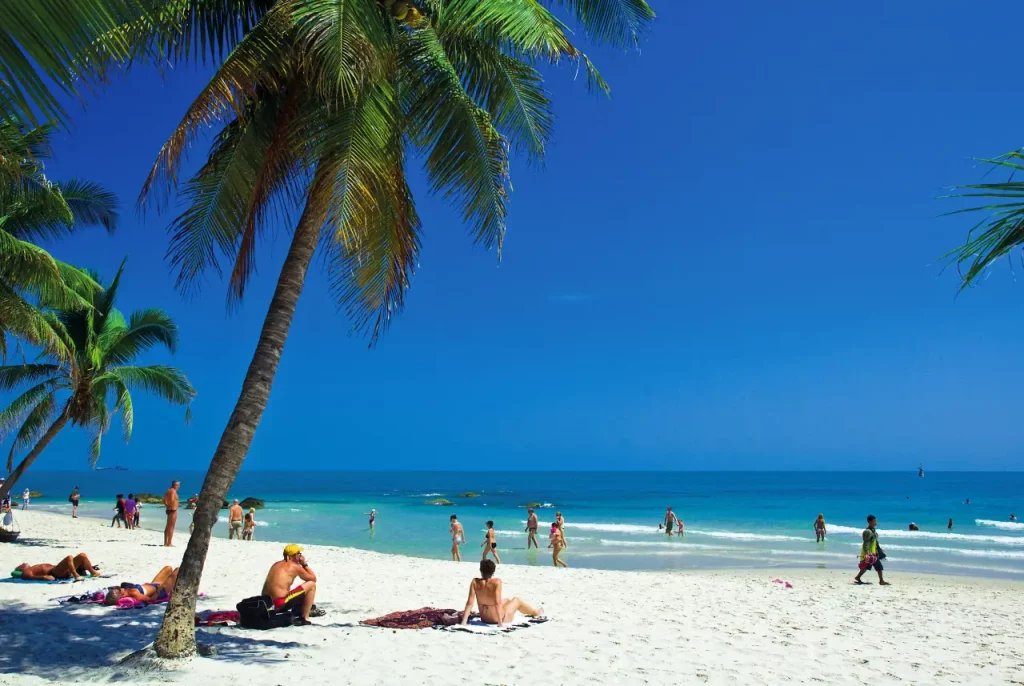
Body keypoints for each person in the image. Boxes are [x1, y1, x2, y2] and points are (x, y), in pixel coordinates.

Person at [460, 559, 543, 627]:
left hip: (484, 619)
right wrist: (500, 623)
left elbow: (469, 603)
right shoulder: (496, 582)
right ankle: (535, 612)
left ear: (481, 570)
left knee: (507, 600)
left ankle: (531, 611)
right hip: (499, 619)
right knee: (516, 600)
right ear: (493, 571)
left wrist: (464, 622)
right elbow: (497, 603)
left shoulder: (475, 582)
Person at [261, 544, 318, 624]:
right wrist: (304, 564)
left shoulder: (276, 564)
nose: (300, 556)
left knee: (294, 592)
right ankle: (305, 618)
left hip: (267, 604)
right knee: (311, 585)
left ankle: (299, 609)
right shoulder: (295, 566)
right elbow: (313, 578)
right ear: (294, 556)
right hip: (279, 603)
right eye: (299, 554)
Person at [103, 566, 179, 605]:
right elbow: (151, 599)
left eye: (118, 588)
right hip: (161, 590)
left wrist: (145, 585)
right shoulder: (134, 594)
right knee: (178, 570)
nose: (120, 588)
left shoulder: (126, 589)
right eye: (119, 590)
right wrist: (159, 590)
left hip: (154, 584)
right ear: (121, 596)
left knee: (168, 568)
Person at [854, 514, 889, 586]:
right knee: (879, 566)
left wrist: (879, 549)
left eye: (875, 521)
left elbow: (875, 542)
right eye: (874, 521)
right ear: (869, 522)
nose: (875, 522)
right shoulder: (867, 531)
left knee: (867, 566)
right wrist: (867, 553)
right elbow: (866, 543)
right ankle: (881, 581)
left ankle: (858, 577)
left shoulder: (874, 531)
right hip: (869, 553)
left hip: (873, 552)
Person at [14, 553, 100, 581]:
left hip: (62, 570)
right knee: (69, 557)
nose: (24, 563)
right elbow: (28, 577)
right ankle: (76, 576)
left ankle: (93, 572)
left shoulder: (34, 566)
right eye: (22, 565)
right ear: (21, 568)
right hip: (54, 573)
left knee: (82, 555)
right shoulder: (27, 571)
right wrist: (43, 577)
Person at [163, 480, 179, 547]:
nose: (178, 486)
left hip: (169, 509)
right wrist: (172, 507)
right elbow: (172, 500)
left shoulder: (168, 490)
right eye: (178, 485)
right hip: (173, 510)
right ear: (175, 485)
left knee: (168, 526)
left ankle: (165, 542)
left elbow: (163, 500)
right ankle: (169, 543)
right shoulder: (173, 491)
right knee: (171, 527)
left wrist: (167, 506)